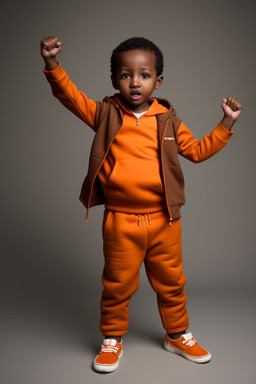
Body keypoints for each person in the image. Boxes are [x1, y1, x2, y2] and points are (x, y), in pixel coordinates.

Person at [40, 35, 242, 373]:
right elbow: (71, 97)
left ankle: (177, 335)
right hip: (121, 221)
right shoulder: (105, 114)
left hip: (165, 221)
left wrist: (226, 123)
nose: (135, 82)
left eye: (144, 75)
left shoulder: (168, 121)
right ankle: (112, 340)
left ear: (158, 81)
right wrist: (52, 65)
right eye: (125, 75)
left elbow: (196, 151)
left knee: (172, 283)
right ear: (114, 80)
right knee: (117, 285)